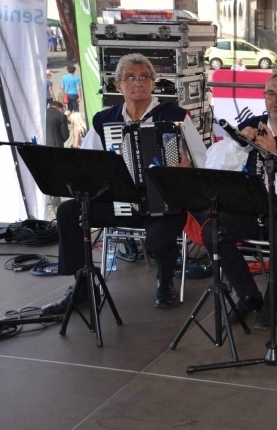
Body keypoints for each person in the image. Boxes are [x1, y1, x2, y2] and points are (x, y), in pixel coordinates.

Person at [41, 54, 208, 313]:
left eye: (144, 77)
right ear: (118, 85)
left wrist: (188, 169)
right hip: (119, 200)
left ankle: (165, 283)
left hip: (162, 201)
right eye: (129, 77)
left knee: (160, 236)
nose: (137, 83)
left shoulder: (175, 116)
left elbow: (203, 161)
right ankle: (83, 285)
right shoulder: (104, 120)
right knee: (68, 212)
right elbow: (86, 162)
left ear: (153, 83)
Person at [202, 72, 277, 328]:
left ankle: (273, 302)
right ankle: (248, 294)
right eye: (270, 93)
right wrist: (239, 145)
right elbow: (214, 167)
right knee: (214, 231)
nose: (275, 100)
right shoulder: (252, 124)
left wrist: (274, 155)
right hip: (249, 206)